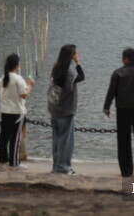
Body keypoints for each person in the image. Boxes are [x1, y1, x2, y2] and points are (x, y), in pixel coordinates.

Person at [103, 48, 134, 177]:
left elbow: (111, 92)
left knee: (123, 140)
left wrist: (106, 107)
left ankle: (126, 170)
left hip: (123, 110)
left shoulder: (118, 73)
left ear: (126, 59)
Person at [48, 44, 85, 174]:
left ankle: (57, 166)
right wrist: (78, 63)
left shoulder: (55, 69)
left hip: (54, 109)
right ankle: (63, 168)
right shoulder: (68, 73)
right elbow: (81, 77)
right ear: (71, 55)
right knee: (66, 142)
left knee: (57, 140)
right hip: (65, 111)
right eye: (75, 53)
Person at [0, 53, 31, 169]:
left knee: (4, 137)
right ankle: (14, 163)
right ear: (17, 65)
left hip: (5, 112)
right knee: (15, 138)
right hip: (17, 112)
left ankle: (3, 161)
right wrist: (30, 85)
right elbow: (24, 95)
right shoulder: (18, 78)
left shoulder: (3, 77)